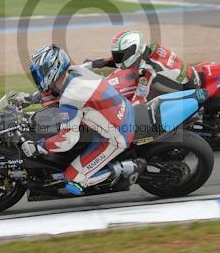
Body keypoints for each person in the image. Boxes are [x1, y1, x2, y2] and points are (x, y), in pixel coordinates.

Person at [20, 45, 143, 196]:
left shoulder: (70, 97)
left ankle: (127, 169)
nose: (37, 76)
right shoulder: (74, 71)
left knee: (72, 180)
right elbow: (49, 93)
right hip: (122, 109)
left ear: (52, 70)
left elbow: (66, 141)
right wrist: (29, 99)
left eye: (39, 72)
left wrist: (41, 146)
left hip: (117, 136)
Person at [89, 30, 202, 104]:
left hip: (186, 89)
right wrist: (94, 64)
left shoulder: (147, 70)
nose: (118, 58)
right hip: (187, 76)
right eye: (117, 54)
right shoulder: (149, 49)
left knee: (150, 107)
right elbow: (123, 60)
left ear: (133, 49)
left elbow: (139, 98)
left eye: (121, 55)